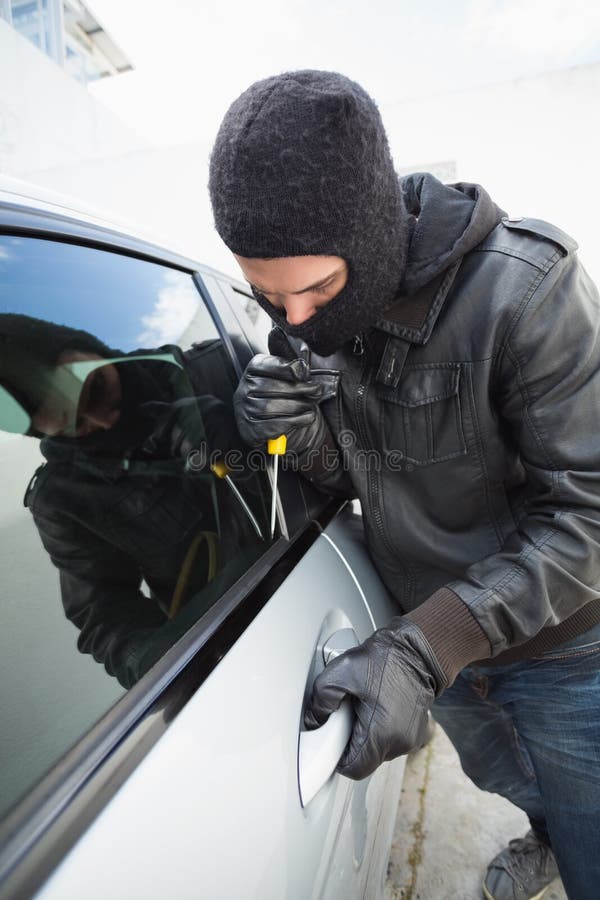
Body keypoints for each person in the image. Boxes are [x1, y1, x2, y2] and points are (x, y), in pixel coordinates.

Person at [208, 70, 600, 900]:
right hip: (432, 645)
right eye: (270, 299)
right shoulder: (314, 323)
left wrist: (426, 649)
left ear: (377, 233)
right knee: (516, 782)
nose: (299, 323)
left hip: (566, 649)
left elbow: (590, 513)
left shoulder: (526, 292)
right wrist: (286, 428)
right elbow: (354, 475)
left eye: (317, 289)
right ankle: (547, 832)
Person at [0, 314, 266, 688]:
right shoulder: (62, 499)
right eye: (74, 424)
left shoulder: (217, 364)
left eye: (93, 390)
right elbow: (104, 615)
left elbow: (330, 465)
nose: (104, 421)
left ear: (92, 348)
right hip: (229, 643)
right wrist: (159, 661)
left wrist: (251, 444)